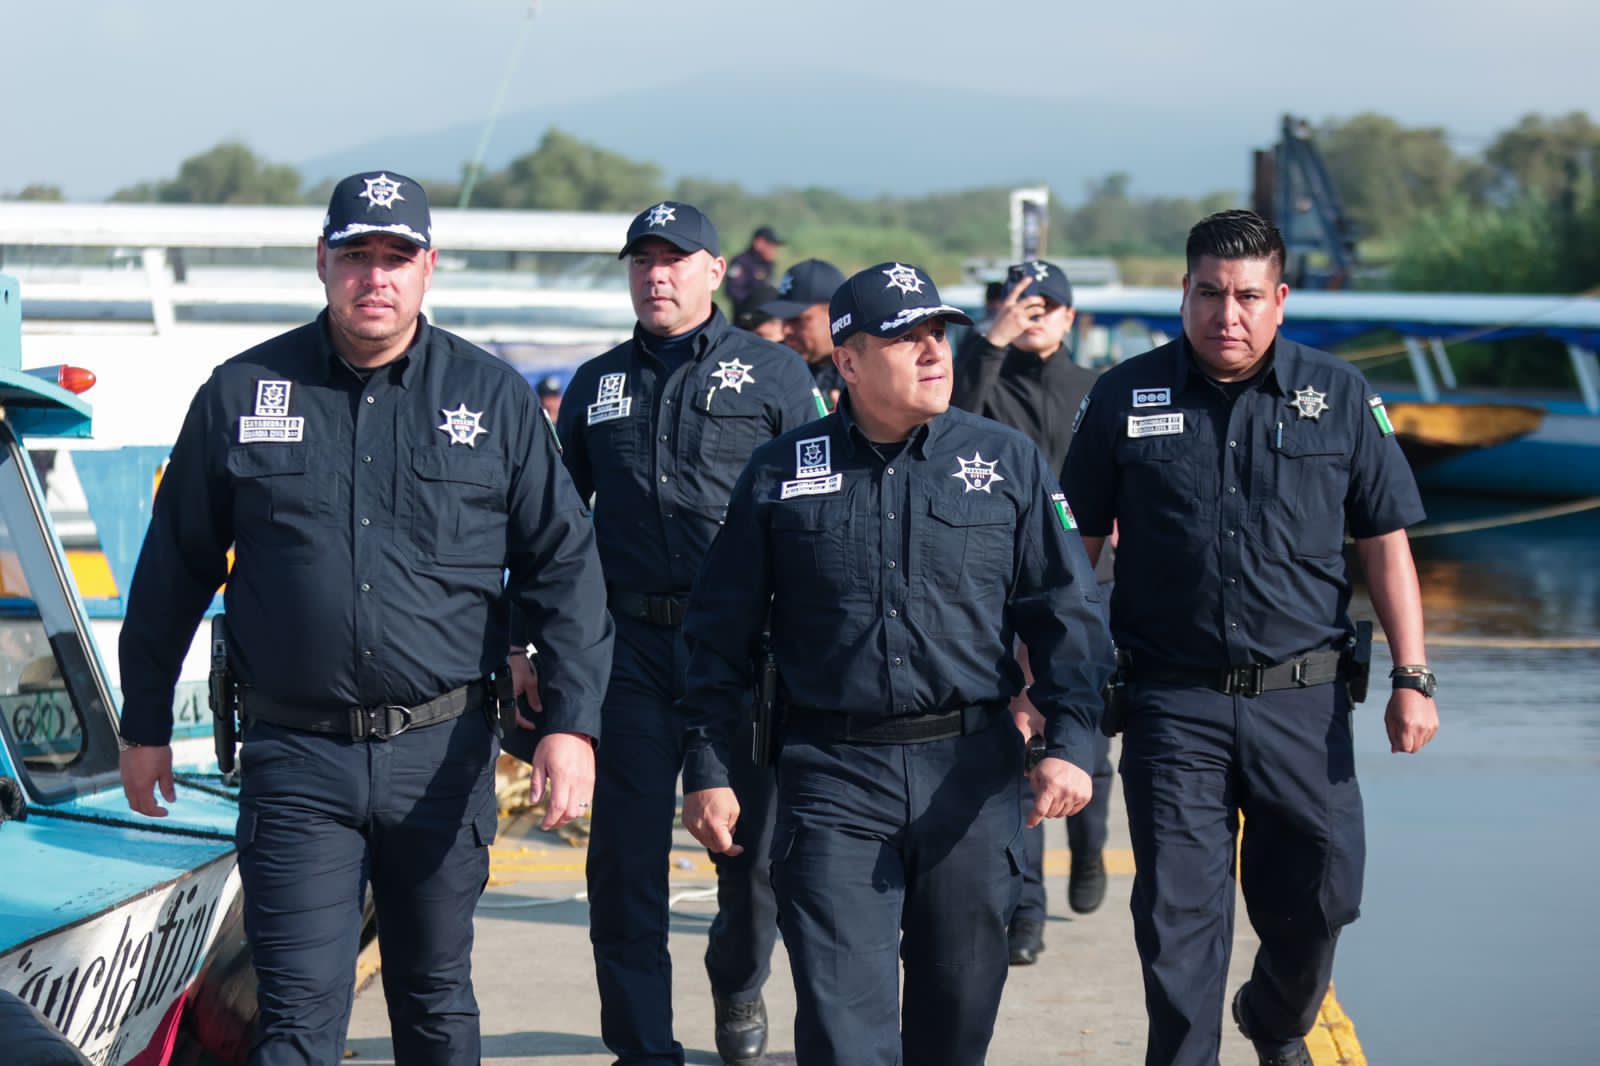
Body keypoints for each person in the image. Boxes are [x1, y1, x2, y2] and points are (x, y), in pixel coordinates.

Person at [116, 171, 615, 1066]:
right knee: (298, 1014)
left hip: (441, 754)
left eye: (395, 257)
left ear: (429, 268)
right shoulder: (242, 393)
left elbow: (564, 566)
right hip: (297, 760)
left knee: (432, 998)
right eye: (356, 255)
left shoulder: (493, 399)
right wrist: (144, 721)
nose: (374, 277)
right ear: (322, 262)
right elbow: (172, 572)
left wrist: (571, 724)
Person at [680, 262, 1115, 1065]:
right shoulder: (782, 470)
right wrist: (708, 766)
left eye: (937, 334)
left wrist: (1071, 744)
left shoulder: (1006, 462)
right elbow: (718, 633)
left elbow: (1066, 613)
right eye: (905, 339)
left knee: (955, 1025)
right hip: (832, 778)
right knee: (845, 1034)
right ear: (846, 362)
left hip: (971, 774)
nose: (933, 354)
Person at [1062, 209, 1440, 1066]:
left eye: (1245, 297)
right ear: (1183, 291)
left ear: (1280, 299)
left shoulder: (1339, 395)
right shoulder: (1124, 396)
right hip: (1171, 700)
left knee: (1325, 895)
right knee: (1177, 920)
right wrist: (1046, 689)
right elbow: (1073, 559)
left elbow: (1385, 544)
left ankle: (1274, 1019)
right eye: (1207, 294)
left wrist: (1413, 677)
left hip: (1301, 702)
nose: (1225, 316)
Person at [534, 200, 822, 1066]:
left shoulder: (772, 376)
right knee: (622, 871)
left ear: (712, 270)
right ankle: (643, 1050)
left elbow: (819, 515)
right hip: (627, 651)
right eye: (641, 261)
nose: (655, 275)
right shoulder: (596, 385)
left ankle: (737, 978)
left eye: (674, 259)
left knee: (754, 861)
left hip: (744, 654)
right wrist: (528, 642)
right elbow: (549, 529)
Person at [950, 259, 1115, 963]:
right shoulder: (984, 377)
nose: (1034, 313)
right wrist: (990, 340)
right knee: (1023, 737)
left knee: (1086, 728)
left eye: (1047, 304)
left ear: (1071, 319)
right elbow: (947, 413)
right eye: (1021, 302)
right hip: (1004, 579)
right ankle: (1027, 909)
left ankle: (1090, 848)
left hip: (1091, 574)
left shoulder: (1095, 389)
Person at [760, 258, 847, 411]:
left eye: (798, 320)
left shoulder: (866, 369)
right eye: (784, 320)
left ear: (834, 313)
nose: (786, 330)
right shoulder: (773, 365)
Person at [724, 224, 782, 309]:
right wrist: (755, 303)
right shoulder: (741, 262)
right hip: (745, 317)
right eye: (771, 246)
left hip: (766, 315)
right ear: (759, 243)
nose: (774, 250)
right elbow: (733, 290)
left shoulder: (768, 264)